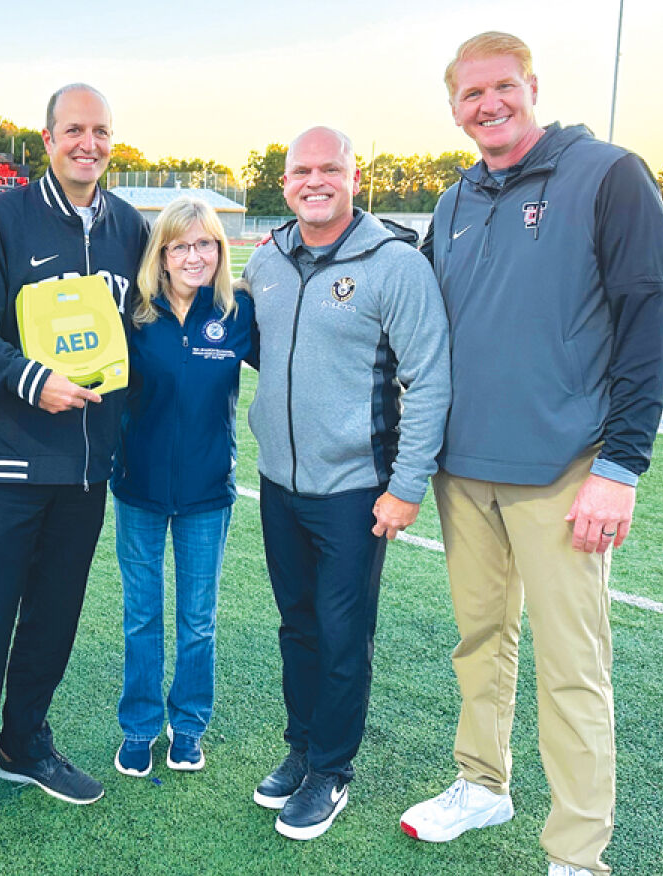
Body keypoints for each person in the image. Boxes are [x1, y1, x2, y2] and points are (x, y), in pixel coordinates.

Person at [398, 33, 663, 876]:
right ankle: (482, 783)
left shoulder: (608, 173)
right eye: (471, 94)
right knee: (479, 639)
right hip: (463, 469)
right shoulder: (452, 202)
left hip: (564, 471)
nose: (489, 105)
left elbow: (649, 322)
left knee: (572, 665)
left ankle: (577, 853)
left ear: (532, 87)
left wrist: (620, 466)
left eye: (503, 87)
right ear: (453, 108)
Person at [0, 83, 148, 857]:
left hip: (87, 470)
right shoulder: (0, 218)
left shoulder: (131, 227)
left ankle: (25, 745)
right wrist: (31, 380)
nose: (88, 143)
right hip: (9, 460)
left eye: (101, 131)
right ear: (47, 139)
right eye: (74, 130)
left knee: (53, 621)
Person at [244, 126, 450, 842]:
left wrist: (407, 485)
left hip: (357, 490)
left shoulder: (394, 263)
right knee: (297, 625)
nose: (314, 180)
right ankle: (301, 749)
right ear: (286, 180)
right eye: (301, 169)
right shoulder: (266, 259)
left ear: (354, 176)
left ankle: (331, 770)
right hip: (278, 483)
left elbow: (429, 381)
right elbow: (266, 354)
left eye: (329, 167)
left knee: (341, 633)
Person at [110, 197, 257, 777]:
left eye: (205, 244)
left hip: (206, 491)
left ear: (219, 251)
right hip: (139, 488)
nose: (193, 256)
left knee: (199, 619)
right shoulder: (134, 311)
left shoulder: (237, 311)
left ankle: (188, 725)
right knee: (141, 614)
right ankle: (140, 727)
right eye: (179, 246)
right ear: (162, 255)